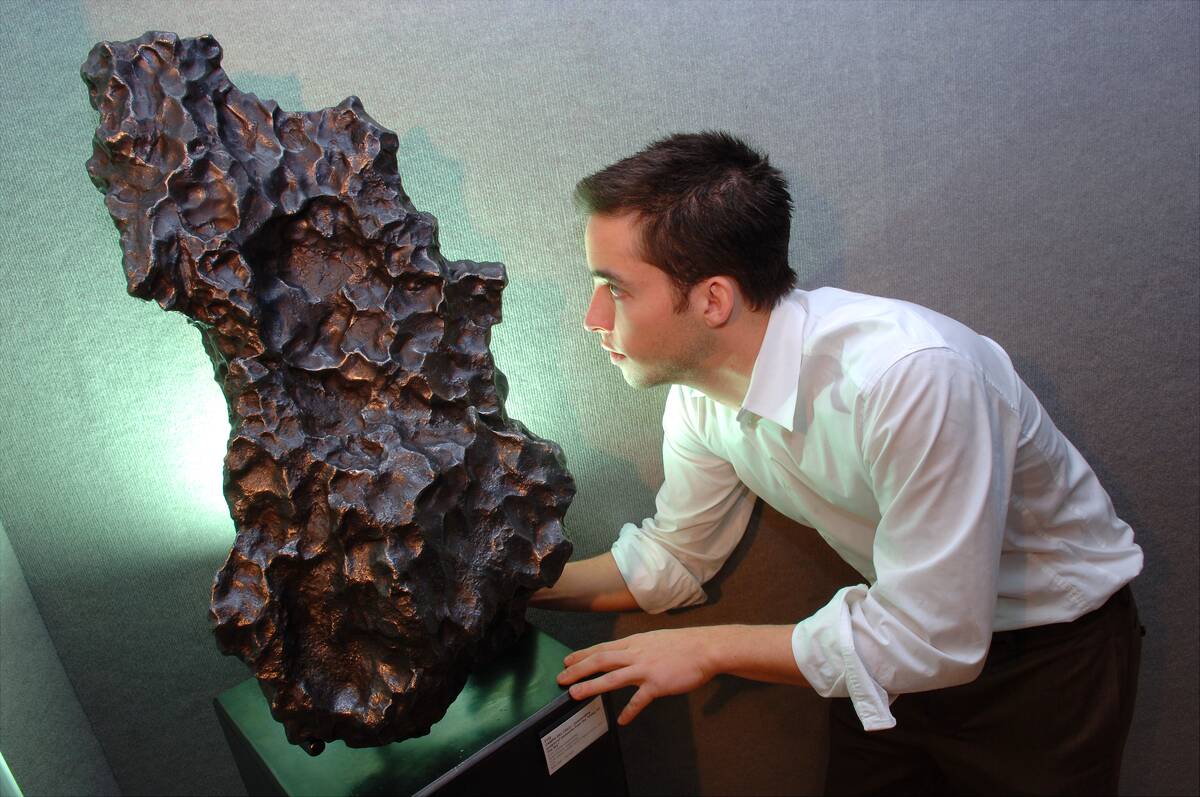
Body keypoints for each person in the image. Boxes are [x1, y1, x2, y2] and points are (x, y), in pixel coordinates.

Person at [528, 130, 1145, 795]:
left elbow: (931, 636)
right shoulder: (697, 396)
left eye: (613, 289)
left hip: (1046, 658)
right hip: (888, 640)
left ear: (712, 299)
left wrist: (703, 647)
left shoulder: (911, 378)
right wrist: (512, 586)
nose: (592, 318)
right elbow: (676, 559)